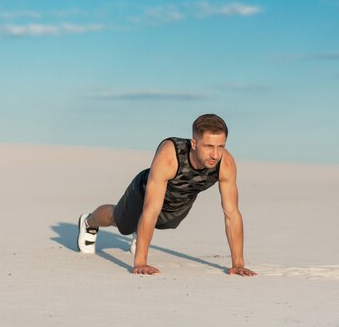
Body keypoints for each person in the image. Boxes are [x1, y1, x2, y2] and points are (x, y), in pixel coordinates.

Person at [77, 113, 256, 277]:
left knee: (167, 224)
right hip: (144, 193)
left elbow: (231, 214)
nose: (215, 154)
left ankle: (140, 230)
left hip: (179, 201)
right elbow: (151, 209)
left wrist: (238, 263)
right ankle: (88, 221)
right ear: (194, 144)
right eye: (209, 146)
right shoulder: (170, 156)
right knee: (120, 221)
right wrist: (141, 262)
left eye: (221, 146)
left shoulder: (225, 163)